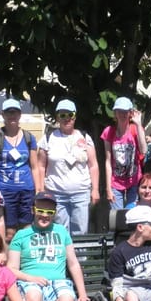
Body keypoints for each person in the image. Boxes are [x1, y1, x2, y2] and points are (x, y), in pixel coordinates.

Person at [7, 191, 89, 301]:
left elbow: (73, 263)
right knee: (33, 298)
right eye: (40, 211)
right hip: (30, 282)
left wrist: (82, 293)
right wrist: (31, 278)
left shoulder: (62, 231)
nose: (45, 215)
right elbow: (11, 269)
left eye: (49, 212)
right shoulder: (21, 235)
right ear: (33, 210)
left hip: (59, 282)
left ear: (54, 213)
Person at [37, 99, 100, 235]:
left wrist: (95, 190)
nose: (67, 118)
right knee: (60, 232)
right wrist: (40, 189)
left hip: (81, 193)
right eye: (62, 115)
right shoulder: (48, 138)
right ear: (57, 117)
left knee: (81, 231)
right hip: (56, 193)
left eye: (70, 115)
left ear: (75, 116)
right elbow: (40, 166)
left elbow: (93, 165)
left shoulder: (85, 137)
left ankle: (79, 251)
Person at [0, 98, 40, 242]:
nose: (12, 115)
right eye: (8, 112)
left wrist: (38, 190)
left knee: (27, 230)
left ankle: (25, 256)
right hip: (5, 191)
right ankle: (9, 256)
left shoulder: (29, 138)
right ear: (3, 115)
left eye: (15, 112)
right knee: (9, 232)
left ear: (20, 114)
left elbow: (35, 166)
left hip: (27, 190)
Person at [101, 96, 147, 209]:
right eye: (119, 111)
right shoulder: (109, 132)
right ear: (115, 113)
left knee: (133, 214)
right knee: (117, 216)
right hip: (115, 182)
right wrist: (108, 188)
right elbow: (108, 161)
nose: (122, 114)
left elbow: (144, 150)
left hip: (134, 181)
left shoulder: (135, 129)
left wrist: (138, 124)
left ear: (130, 113)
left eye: (125, 111)